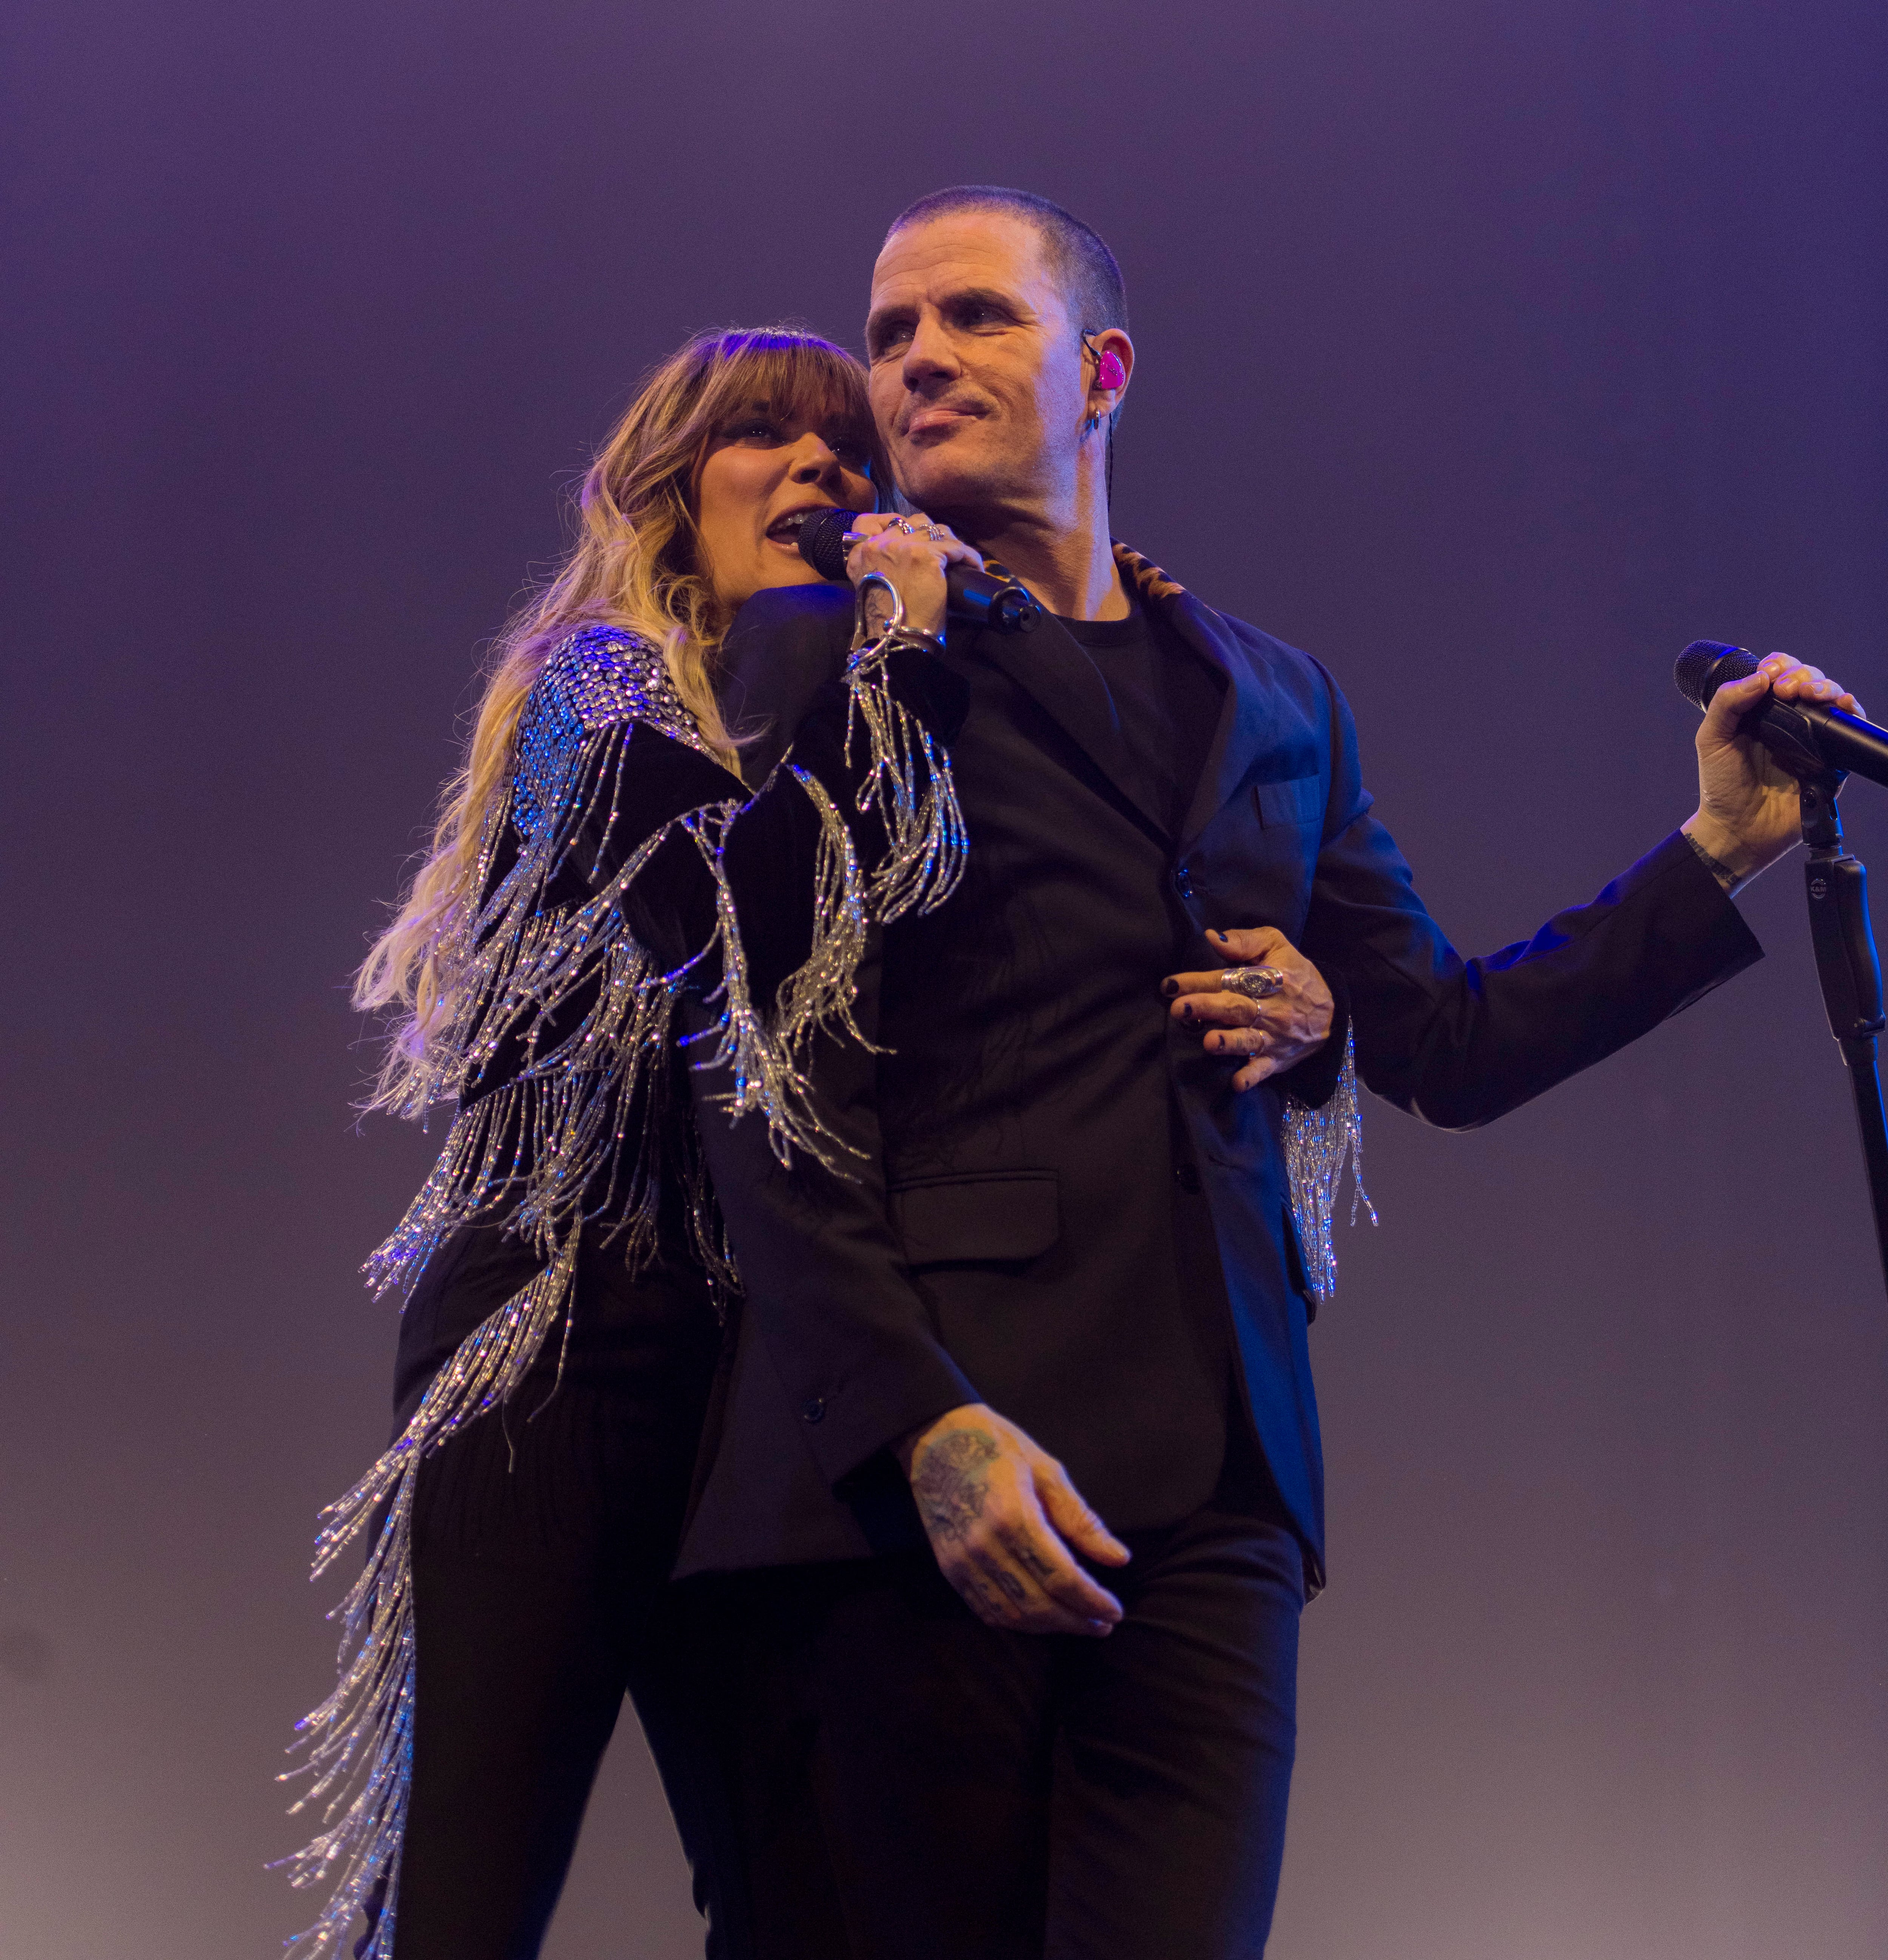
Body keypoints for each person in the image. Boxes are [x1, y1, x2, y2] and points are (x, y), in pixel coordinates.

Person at [659, 189, 1868, 1957]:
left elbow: (1446, 1038)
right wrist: (914, 1427)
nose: (914, 358)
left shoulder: (1273, 696)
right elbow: (753, 1061)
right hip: (920, 1474)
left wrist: (1717, 847)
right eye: (891, 328)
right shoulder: (820, 646)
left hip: (1218, 1483)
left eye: (974, 317)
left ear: (1104, 373)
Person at [279, 325, 959, 1960]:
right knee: (473, 1888)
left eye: (844, 449)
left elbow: (897, 908)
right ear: (669, 486)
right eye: (768, 438)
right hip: (559, 1347)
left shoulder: (821, 701)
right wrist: (900, 662)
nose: (822, 469)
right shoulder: (590, 685)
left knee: (806, 1891)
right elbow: (747, 919)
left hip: (757, 1378)